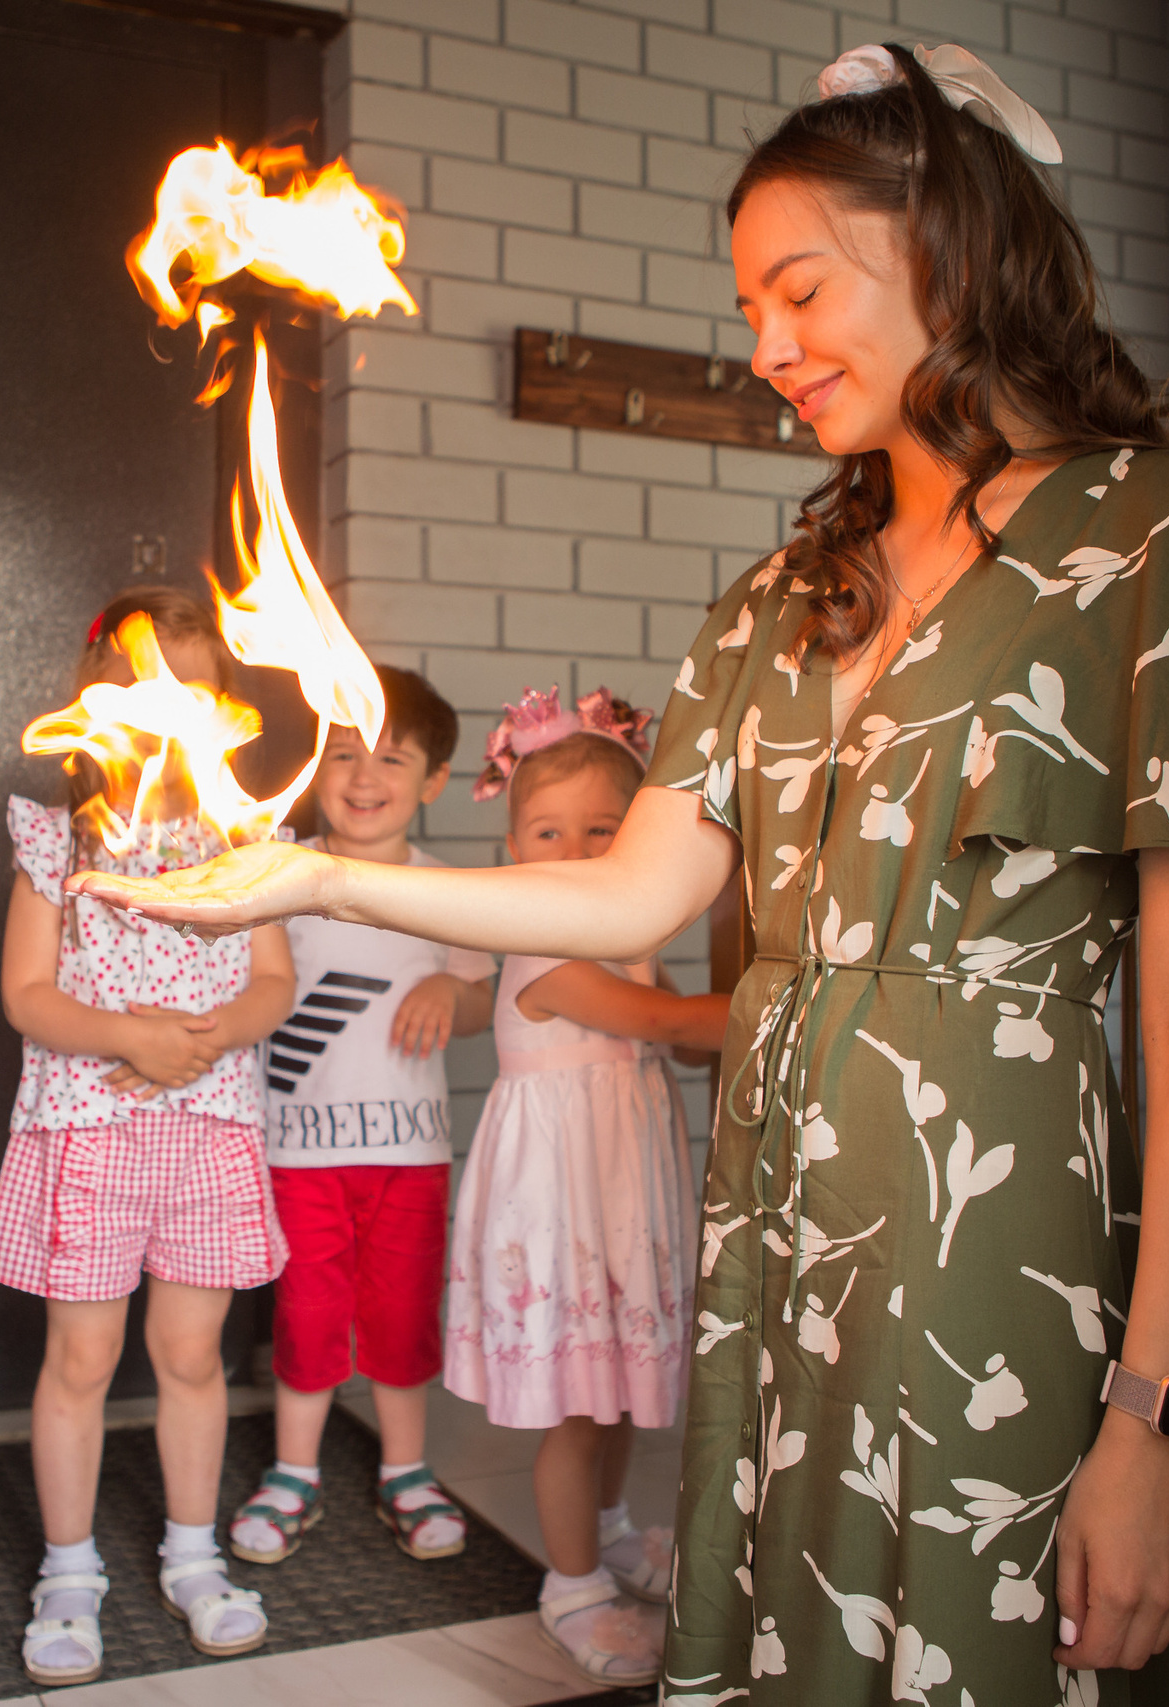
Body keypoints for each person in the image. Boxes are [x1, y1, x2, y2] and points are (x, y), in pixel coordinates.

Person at [66, 41, 1169, 1707]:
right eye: (747, 301)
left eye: (800, 289)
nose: (763, 346)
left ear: (953, 255)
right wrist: (317, 879)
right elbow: (625, 895)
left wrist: (1162, 1417)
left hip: (1001, 1256)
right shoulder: (787, 589)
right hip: (777, 1236)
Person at [0, 588, 295, 1685]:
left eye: (190, 691)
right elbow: (26, 994)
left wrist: (202, 1046)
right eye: (141, 690)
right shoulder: (54, 838)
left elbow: (271, 982)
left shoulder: (250, 838)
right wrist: (133, 1037)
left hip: (208, 1134)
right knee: (80, 1358)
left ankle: (192, 1555)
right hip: (88, 1133)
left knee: (190, 1355)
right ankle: (68, 1572)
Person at [444, 687, 727, 1691]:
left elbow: (665, 1040)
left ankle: (605, 1535)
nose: (569, 852)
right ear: (514, 845)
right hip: (559, 1201)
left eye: (600, 832)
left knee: (613, 1396)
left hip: (613, 1184)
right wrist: (780, 1009)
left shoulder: (616, 938)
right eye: (546, 832)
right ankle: (568, 1587)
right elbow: (674, 1026)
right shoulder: (547, 947)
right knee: (576, 1405)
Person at [229, 666, 494, 1570]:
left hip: (410, 1155)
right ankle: (293, 1470)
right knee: (306, 1314)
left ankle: (406, 1470)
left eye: (391, 755)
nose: (363, 773)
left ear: (432, 780)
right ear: (314, 767)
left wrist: (447, 989)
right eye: (343, 753)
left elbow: (485, 1000)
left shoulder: (443, 889)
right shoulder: (285, 875)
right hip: (295, 1152)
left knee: (400, 1311)